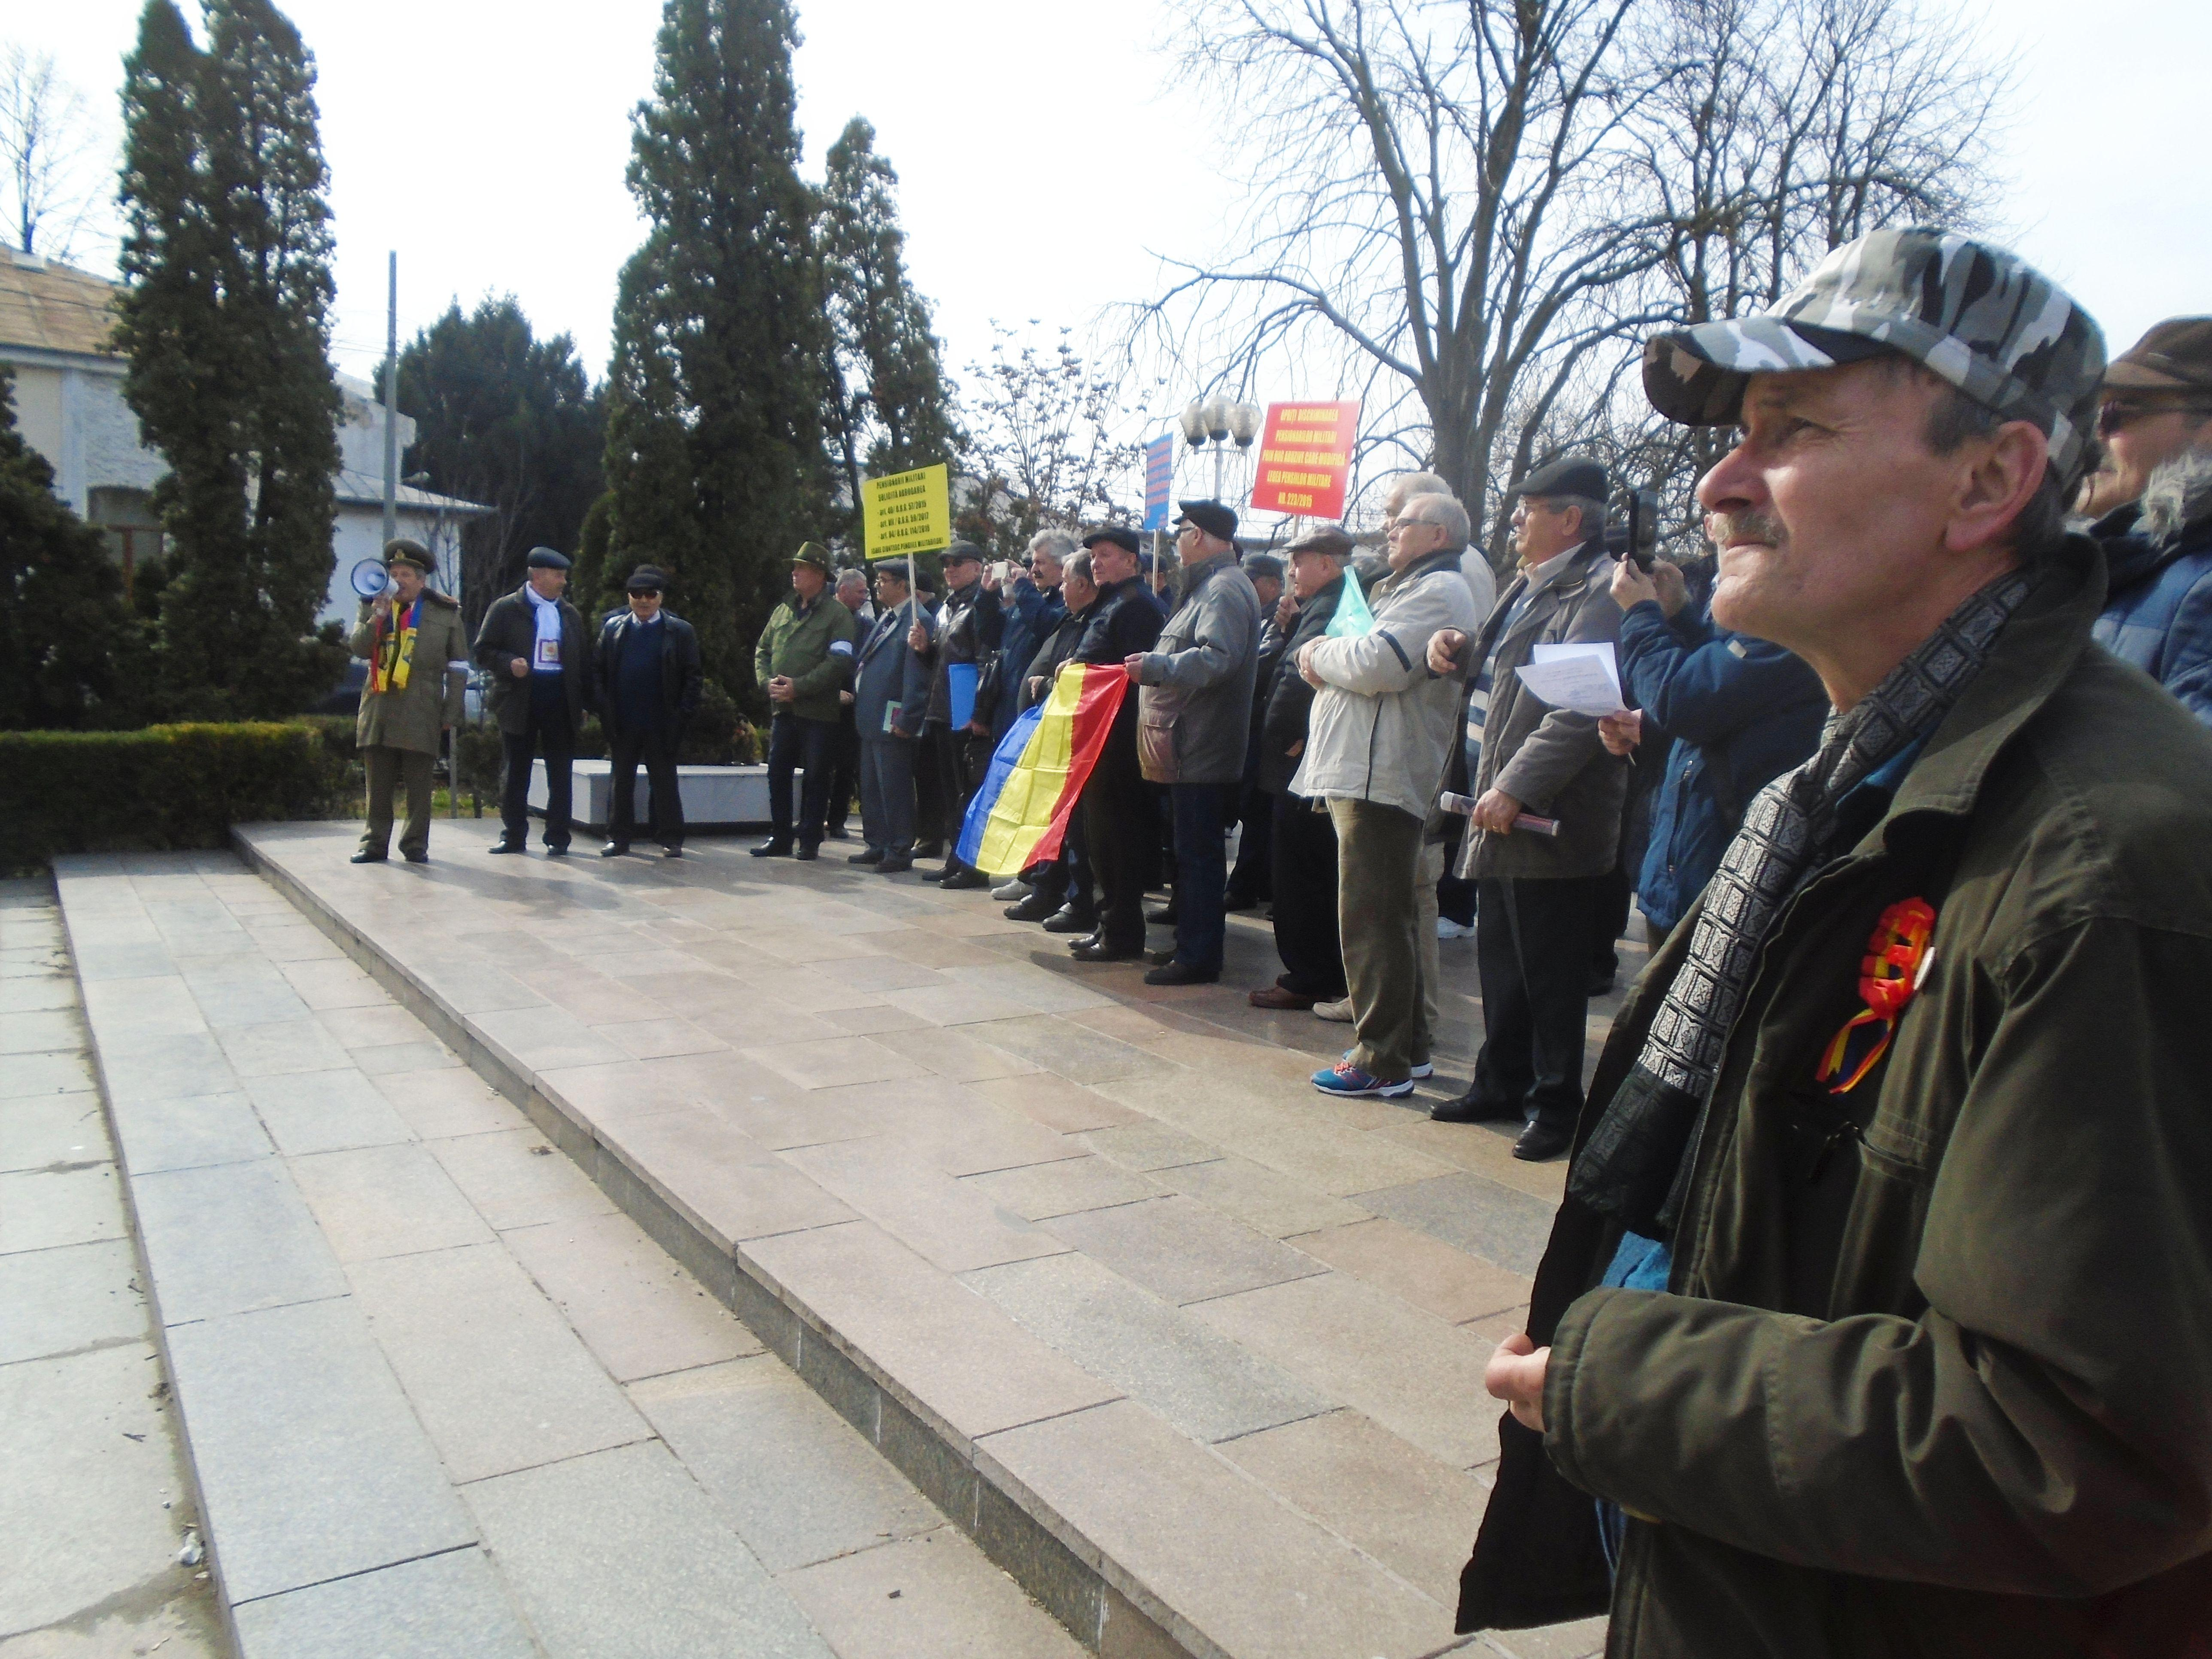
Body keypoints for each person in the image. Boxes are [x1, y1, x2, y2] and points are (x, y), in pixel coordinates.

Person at [1464, 229, 2212, 1658]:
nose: (1718, 483)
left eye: (1791, 432)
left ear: (1990, 481)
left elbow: (2085, 1446)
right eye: (1734, 435)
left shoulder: (2099, 864)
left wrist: (1621, 1385)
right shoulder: (1860, 774)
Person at [1425, 456, 1624, 1158]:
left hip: (1546, 814)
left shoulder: (1599, 591)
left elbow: (1579, 706)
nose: (1513, 520)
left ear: (1569, 518)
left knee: (1549, 969)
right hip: (1497, 804)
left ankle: (1555, 1103)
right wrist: (1459, 647)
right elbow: (1510, 665)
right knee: (1502, 958)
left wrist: (1515, 785)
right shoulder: (1533, 581)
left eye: (1527, 508)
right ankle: (1499, 1081)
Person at [1289, 496, 1481, 1094]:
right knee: (1385, 916)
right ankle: (1409, 1049)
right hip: (1363, 769)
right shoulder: (1400, 587)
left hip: (1384, 774)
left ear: (1438, 533)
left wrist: (1318, 652)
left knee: (1372, 919)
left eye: (1402, 525)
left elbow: (1380, 663)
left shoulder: (1442, 590)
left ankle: (1381, 1059)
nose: (1389, 532)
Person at [1595, 553, 1825, 951]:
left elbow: (1682, 700)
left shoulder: (1797, 617)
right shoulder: (1763, 613)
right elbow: (1719, 676)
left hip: (1728, 885)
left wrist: (1640, 614)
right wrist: (1680, 612)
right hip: (1682, 871)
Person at [1126, 501, 1263, 987]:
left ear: (1200, 535)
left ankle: (1199, 956)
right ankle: (1192, 946)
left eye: (1182, 530)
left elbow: (1216, 659)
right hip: (1189, 744)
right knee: (1192, 852)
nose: (1178, 538)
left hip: (1200, 746)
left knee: (1200, 855)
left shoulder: (1223, 588)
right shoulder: (1209, 585)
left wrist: (1158, 668)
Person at [2078, 318, 2212, 723]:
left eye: (2115, 415)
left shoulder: (2202, 592)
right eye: (2089, 414)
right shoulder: (2124, 563)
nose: (2092, 436)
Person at [1248, 525, 1354, 1010]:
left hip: (1299, 762)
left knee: (1301, 875)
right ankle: (1314, 971)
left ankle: (1309, 975)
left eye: (1300, 560)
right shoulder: (1318, 606)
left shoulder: (1330, 606)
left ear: (1327, 565)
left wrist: (1283, 735)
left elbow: (1298, 680)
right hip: (1299, 759)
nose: (1291, 570)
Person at [1068, 527, 1166, 961]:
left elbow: (1133, 676)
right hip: (1098, 740)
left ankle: (1122, 932)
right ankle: (1108, 921)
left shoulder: (1137, 607)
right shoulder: (1113, 603)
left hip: (1120, 743)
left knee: (1119, 840)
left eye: (1105, 554)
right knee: (1100, 840)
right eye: (1092, 556)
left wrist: (1082, 672)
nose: (1096, 563)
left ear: (1132, 560)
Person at [349, 539, 467, 865]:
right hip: (379, 704)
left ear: (421, 580)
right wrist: (377, 618)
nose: (398, 580)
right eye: (394, 573)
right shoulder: (372, 605)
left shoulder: (445, 613)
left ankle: (415, 844)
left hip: (422, 703)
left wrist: (452, 709)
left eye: (405, 574)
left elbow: (458, 665)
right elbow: (359, 648)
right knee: (378, 782)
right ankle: (374, 843)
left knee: (419, 783)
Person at [1004, 549, 1103, 927]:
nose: (1060, 587)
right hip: (1048, 734)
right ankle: (1045, 886)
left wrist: (1045, 684)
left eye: (1064, 580)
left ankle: (1068, 897)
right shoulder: (1072, 618)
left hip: (1072, 739)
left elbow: (1077, 679)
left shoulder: (1091, 621)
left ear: (1081, 583)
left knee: (1074, 829)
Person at [475, 546, 593, 856]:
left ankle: (558, 837)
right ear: (537, 576)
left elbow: (583, 662)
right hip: (520, 697)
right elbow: (483, 650)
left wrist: (584, 702)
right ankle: (513, 834)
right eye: (558, 576)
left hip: (559, 696)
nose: (563, 582)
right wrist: (508, 663)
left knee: (560, 771)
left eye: (564, 576)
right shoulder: (505, 609)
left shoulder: (569, 614)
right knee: (516, 770)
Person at [751, 542, 858, 861]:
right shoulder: (783, 609)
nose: (794, 573)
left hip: (818, 712)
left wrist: (799, 687)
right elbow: (763, 651)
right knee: (778, 773)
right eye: (794, 568)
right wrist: (767, 682)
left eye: (801, 568)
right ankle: (780, 836)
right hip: (783, 710)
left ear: (819, 574)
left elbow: (839, 662)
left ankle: (810, 839)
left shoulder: (838, 615)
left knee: (816, 775)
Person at [911, 541, 1004, 888]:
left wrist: (980, 712)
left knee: (967, 791)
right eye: (946, 563)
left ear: (978, 568)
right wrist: (925, 650)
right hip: (942, 710)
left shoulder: (980, 606)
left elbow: (985, 661)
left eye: (957, 562)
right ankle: (955, 858)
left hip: (964, 713)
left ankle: (971, 865)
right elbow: (943, 660)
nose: (949, 568)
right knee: (950, 793)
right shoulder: (946, 609)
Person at [596, 565, 702, 858]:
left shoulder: (679, 631)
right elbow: (599, 672)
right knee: (621, 780)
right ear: (628, 597)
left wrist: (682, 715)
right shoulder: (614, 629)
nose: (644, 601)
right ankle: (618, 838)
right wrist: (603, 710)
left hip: (662, 719)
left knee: (664, 780)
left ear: (661, 598)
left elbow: (693, 678)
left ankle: (671, 838)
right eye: (637, 594)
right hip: (624, 719)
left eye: (650, 595)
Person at [850, 559, 932, 874]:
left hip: (893, 720)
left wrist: (908, 719)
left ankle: (899, 848)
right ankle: (878, 843)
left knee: (894, 787)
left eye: (884, 580)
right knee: (872, 785)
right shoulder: (887, 617)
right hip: (871, 717)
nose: (877, 585)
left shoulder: (916, 620)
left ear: (902, 585)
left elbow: (917, 674)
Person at [1224, 551, 1287, 912]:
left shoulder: (1278, 621)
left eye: (1254, 580)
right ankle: (1255, 882)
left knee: (1259, 810)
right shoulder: (1256, 617)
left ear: (1274, 586)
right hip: (1251, 725)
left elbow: (1262, 666)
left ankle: (1249, 884)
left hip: (1268, 728)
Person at [823, 568, 876, 840]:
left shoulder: (866, 624)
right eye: (860, 592)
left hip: (852, 706)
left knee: (845, 765)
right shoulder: (821, 618)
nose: (864, 596)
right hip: (820, 701)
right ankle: (811, 817)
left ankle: (838, 820)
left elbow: (865, 662)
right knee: (817, 764)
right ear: (842, 591)